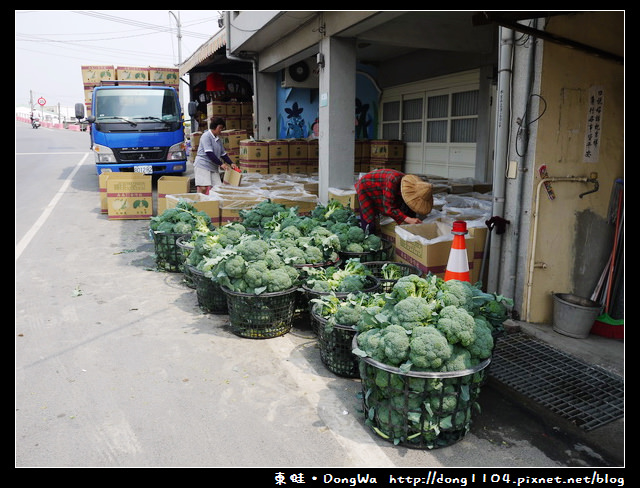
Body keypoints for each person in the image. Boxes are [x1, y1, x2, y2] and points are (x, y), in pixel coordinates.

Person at [355, 168, 433, 232]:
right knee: (369, 222)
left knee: (405, 210)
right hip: (366, 187)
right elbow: (388, 208)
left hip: (382, 187)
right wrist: (408, 219)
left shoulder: (410, 185)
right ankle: (367, 240)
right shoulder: (393, 181)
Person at [193, 116, 238, 194]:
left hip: (212, 167)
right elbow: (209, 153)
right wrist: (221, 164)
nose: (221, 130)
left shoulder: (218, 139)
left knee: (217, 188)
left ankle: (212, 203)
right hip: (202, 165)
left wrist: (231, 163)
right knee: (203, 187)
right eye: (220, 128)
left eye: (222, 128)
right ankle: (199, 203)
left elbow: (223, 154)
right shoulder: (206, 136)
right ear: (214, 127)